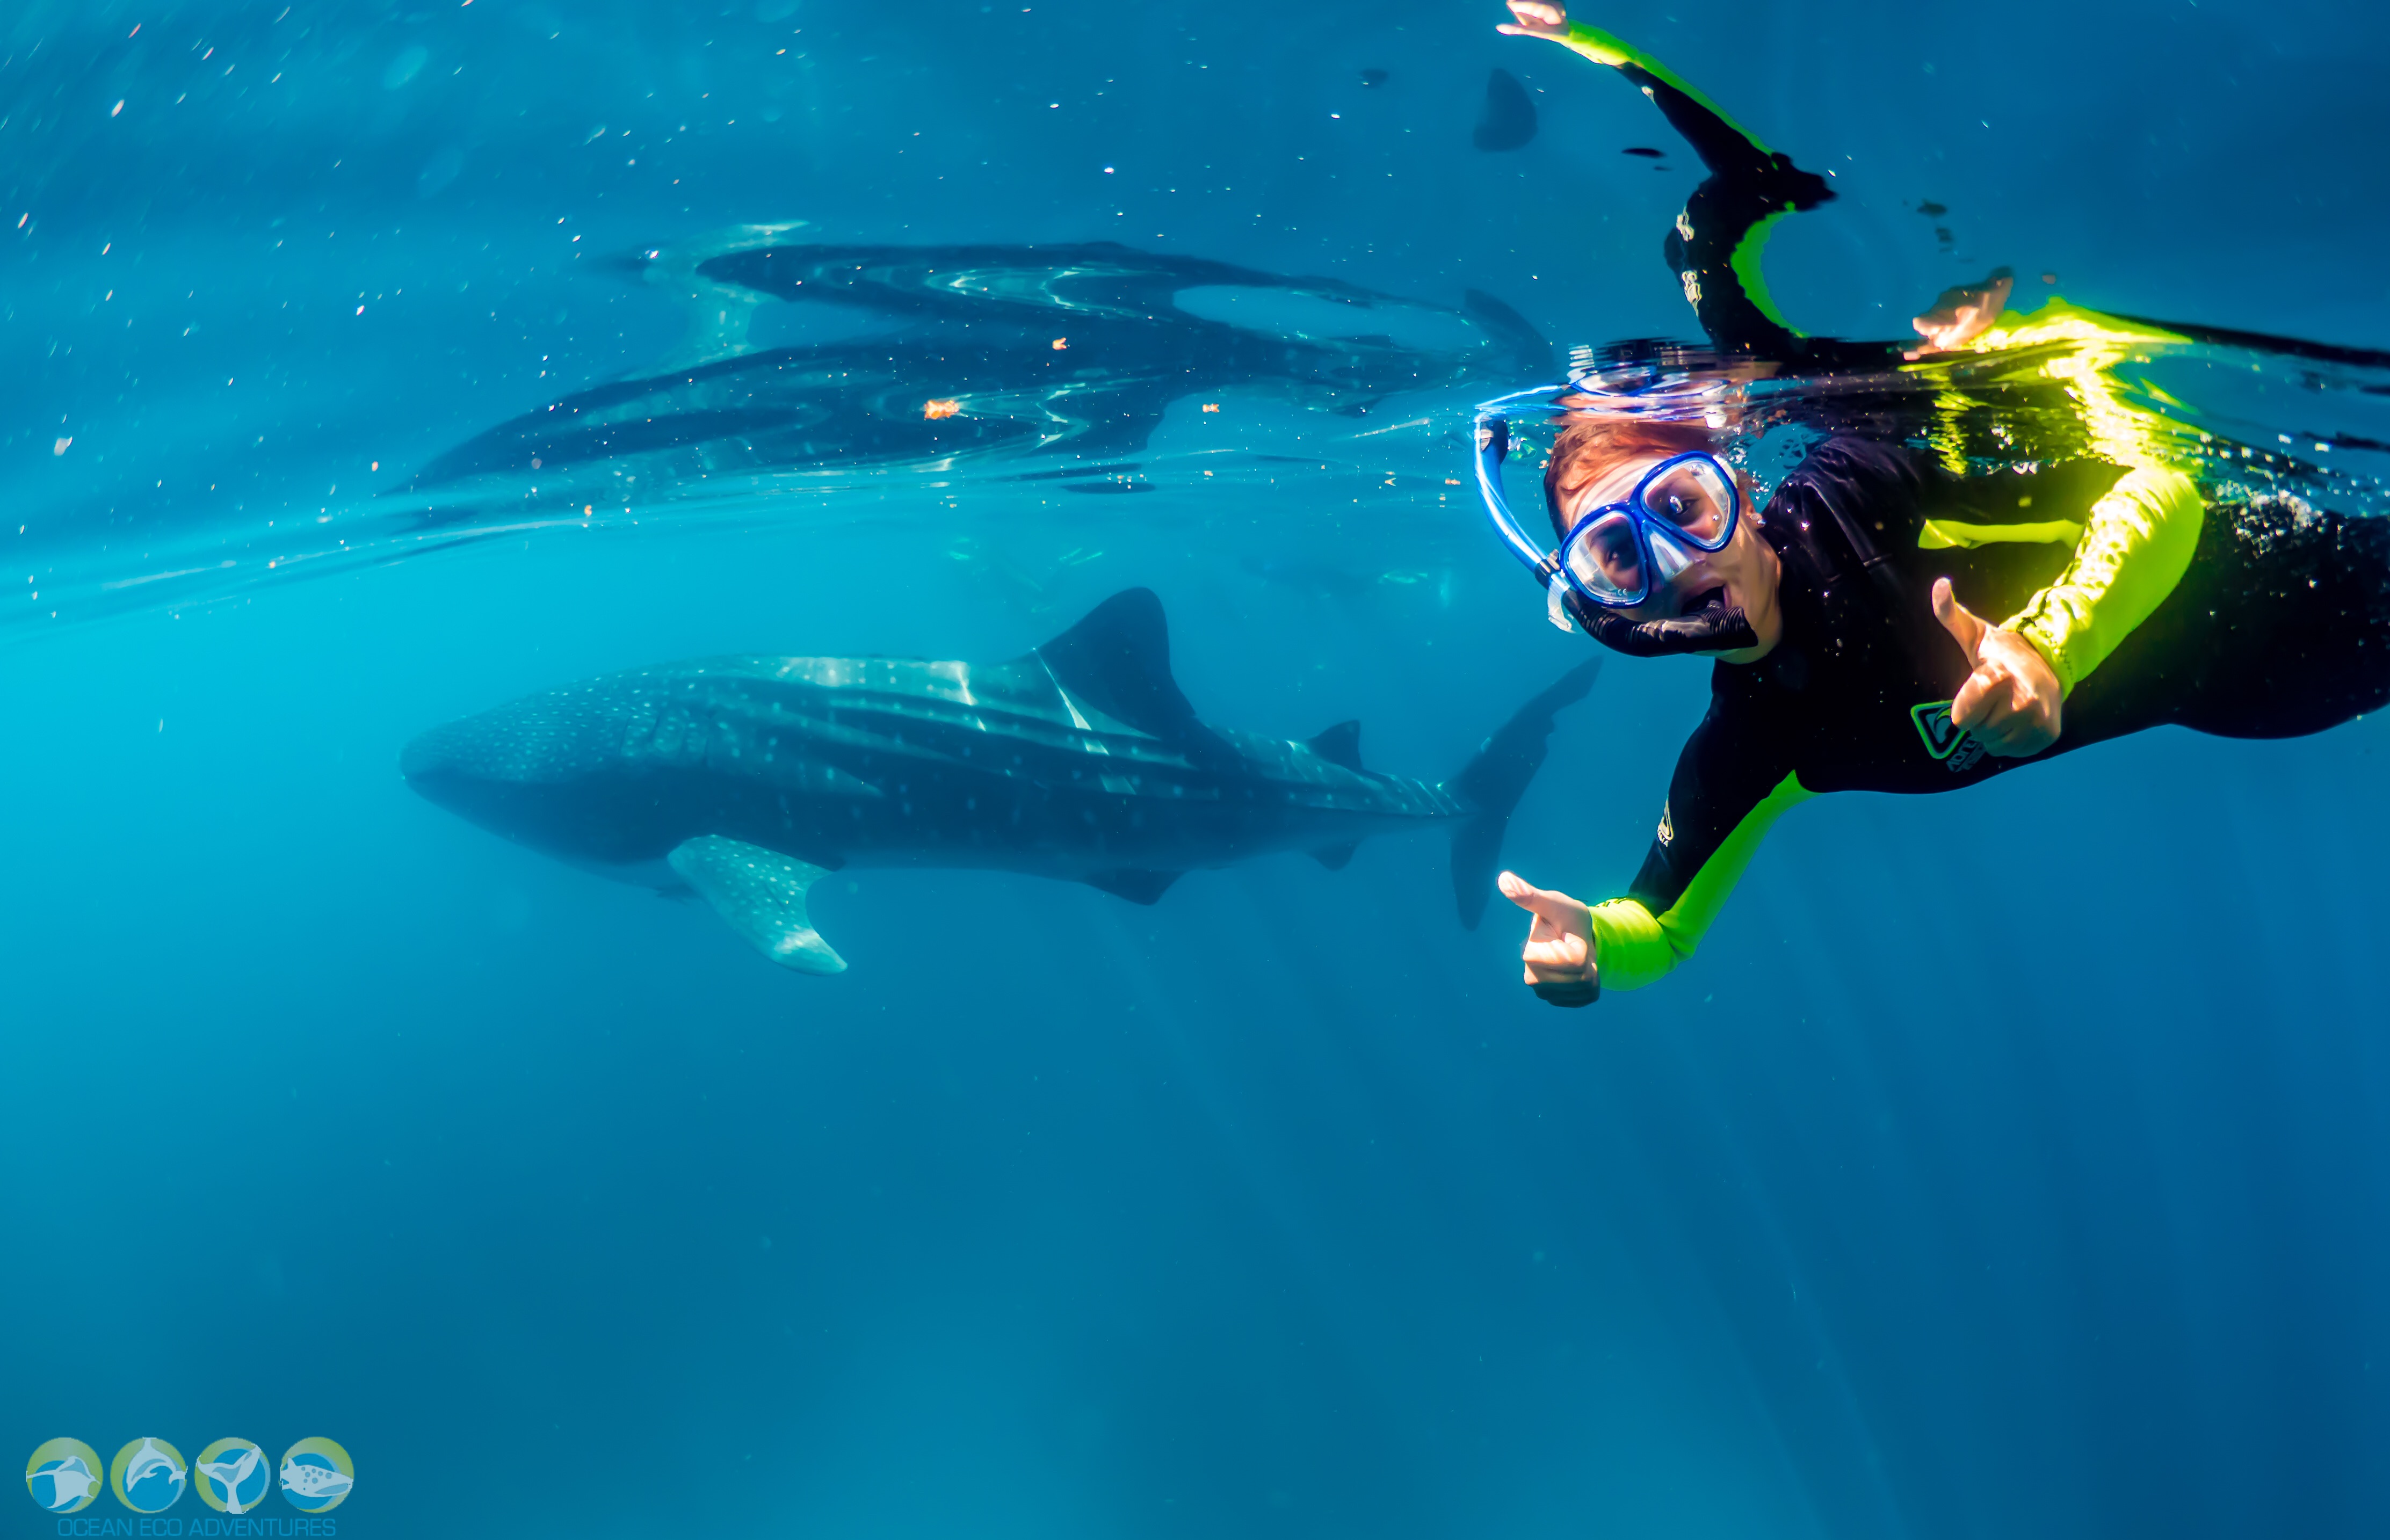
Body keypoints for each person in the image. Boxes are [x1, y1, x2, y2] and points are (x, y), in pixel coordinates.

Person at [1483, 2, 2390, 1006]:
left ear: (1738, 483)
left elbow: (2161, 489)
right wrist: (1593, 953)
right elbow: (1661, 923)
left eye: (1684, 507)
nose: (1680, 561)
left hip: (2309, 580)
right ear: (1602, 599)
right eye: (1620, 554)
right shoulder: (1753, 744)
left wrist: (2055, 645)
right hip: (2257, 701)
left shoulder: (1864, 494)